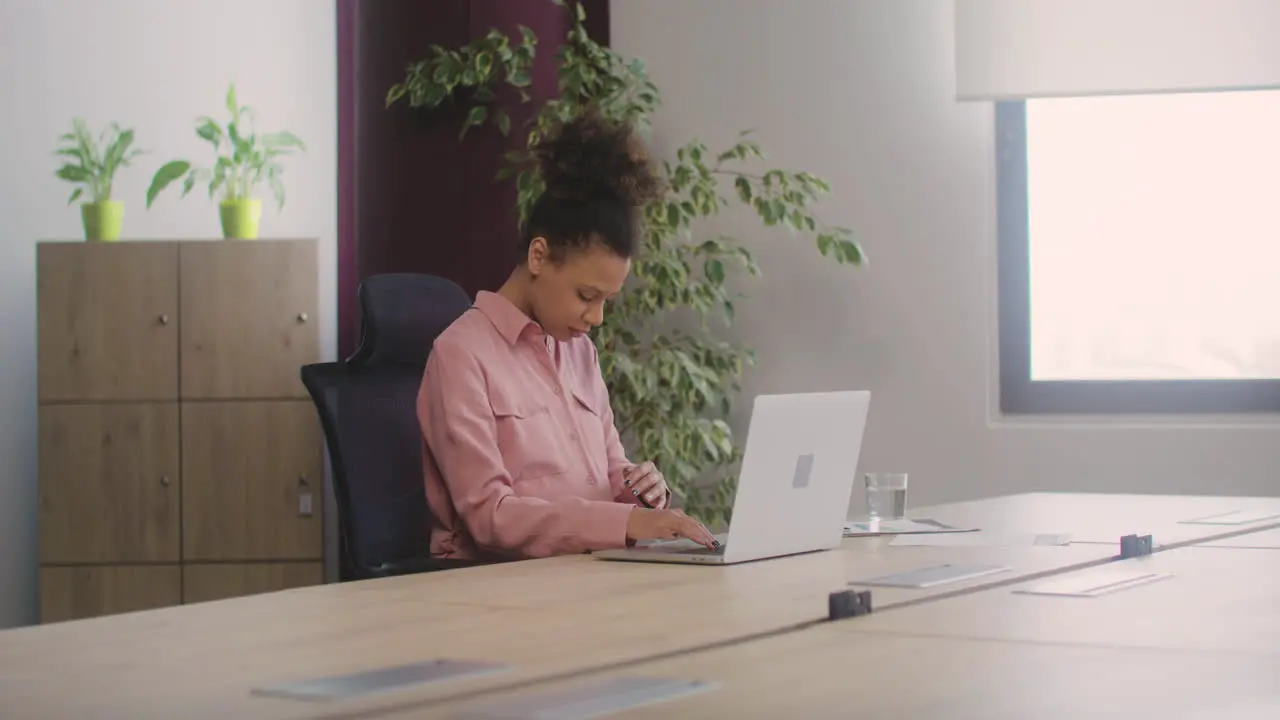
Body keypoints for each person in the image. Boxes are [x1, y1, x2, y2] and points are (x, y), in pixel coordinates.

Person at [417, 110, 719, 561]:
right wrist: (625, 524)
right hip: (495, 593)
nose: (596, 317)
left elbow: (610, 472)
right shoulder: (460, 355)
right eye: (586, 295)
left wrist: (636, 491)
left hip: (585, 574)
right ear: (539, 256)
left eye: (606, 301)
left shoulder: (579, 353)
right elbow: (490, 517)